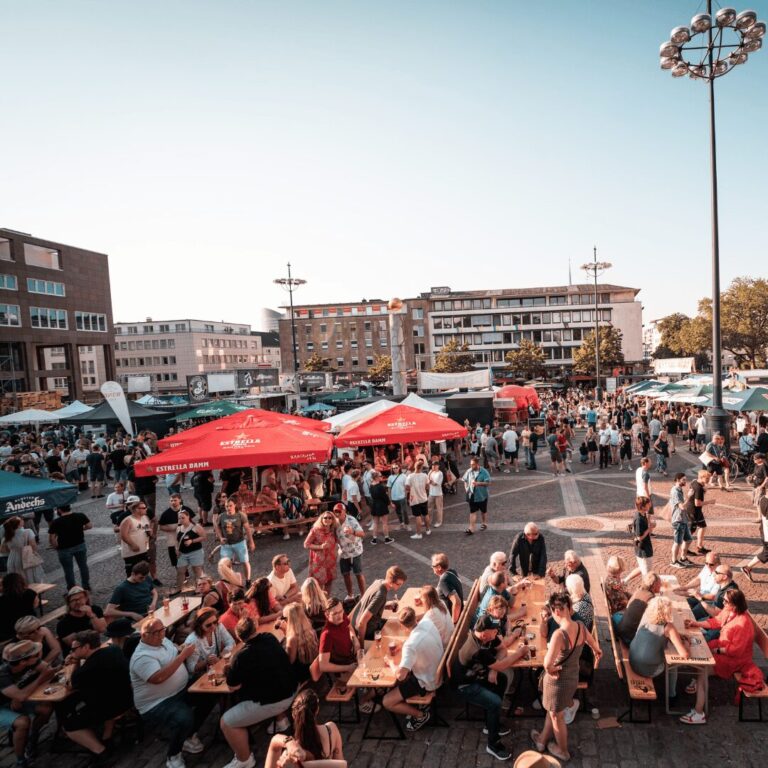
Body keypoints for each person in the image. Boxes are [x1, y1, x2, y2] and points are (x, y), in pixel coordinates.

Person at [531, 591, 602, 763]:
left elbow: (547, 664)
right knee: (553, 711)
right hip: (572, 677)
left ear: (555, 611)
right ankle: (541, 741)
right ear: (569, 608)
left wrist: (555, 668)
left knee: (557, 716)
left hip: (557, 683)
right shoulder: (580, 626)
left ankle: (562, 751)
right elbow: (596, 647)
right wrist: (597, 655)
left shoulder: (559, 635)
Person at [220, 615, 298, 768]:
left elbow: (232, 687)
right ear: (255, 628)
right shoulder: (270, 638)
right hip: (292, 689)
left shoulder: (241, 657)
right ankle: (281, 721)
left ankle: (245, 760)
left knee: (226, 722)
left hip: (276, 701)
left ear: (240, 638)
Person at [130, 617, 206, 768]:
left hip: (180, 689)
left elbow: (173, 651)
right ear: (144, 635)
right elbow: (158, 677)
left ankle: (188, 735)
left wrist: (181, 648)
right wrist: (183, 656)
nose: (161, 635)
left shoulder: (163, 641)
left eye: (163, 630)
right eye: (157, 632)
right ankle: (173, 756)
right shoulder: (142, 657)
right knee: (184, 718)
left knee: (208, 692)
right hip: (157, 702)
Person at [681, 589, 755, 725]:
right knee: (697, 651)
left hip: (733, 660)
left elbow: (735, 651)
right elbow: (715, 622)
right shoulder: (730, 611)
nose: (723, 602)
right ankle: (698, 685)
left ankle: (699, 713)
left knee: (702, 669)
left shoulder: (743, 623)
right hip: (723, 649)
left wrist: (716, 650)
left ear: (735, 605)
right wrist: (696, 624)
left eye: (726, 601)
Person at [451, 614, 514, 762]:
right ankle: (493, 745)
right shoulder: (477, 649)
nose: (497, 632)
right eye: (495, 630)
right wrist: (520, 653)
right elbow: (503, 663)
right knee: (495, 703)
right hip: (464, 685)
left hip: (477, 675)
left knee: (501, 679)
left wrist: (494, 669)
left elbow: (503, 649)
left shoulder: (487, 637)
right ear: (485, 633)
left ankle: (491, 723)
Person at [62, 629, 133, 761]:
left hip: (110, 708)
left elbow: (71, 685)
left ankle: (100, 750)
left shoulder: (84, 671)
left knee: (69, 725)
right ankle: (107, 737)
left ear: (86, 647)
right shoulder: (114, 650)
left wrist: (75, 662)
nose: (72, 651)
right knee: (105, 695)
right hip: (128, 698)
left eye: (74, 648)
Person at [381, 606, 443, 731]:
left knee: (386, 701)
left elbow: (400, 675)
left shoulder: (410, 645)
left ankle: (421, 716)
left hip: (426, 681)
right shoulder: (427, 622)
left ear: (403, 627)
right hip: (437, 669)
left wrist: (391, 662)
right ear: (415, 617)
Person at [0, 640, 55, 766]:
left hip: (13, 699)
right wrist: (41, 678)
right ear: (23, 661)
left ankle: (32, 737)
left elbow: (49, 670)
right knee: (23, 722)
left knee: (46, 709)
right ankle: (21, 760)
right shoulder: (2, 675)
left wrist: (17, 696)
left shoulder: (31, 663)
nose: (39, 656)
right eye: (35, 655)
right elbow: (22, 695)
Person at [628, 596, 689, 704]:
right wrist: (688, 644)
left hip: (632, 659)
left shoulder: (646, 616)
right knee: (673, 664)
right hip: (647, 669)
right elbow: (684, 654)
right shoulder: (668, 627)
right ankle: (672, 696)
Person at [263, 689, 344, 768]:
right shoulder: (331, 730)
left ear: (293, 715)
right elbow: (341, 763)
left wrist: (289, 742)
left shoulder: (291, 756)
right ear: (317, 710)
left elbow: (274, 746)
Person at [349, 565, 407, 644]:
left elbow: (369, 603)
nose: (400, 586)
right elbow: (362, 623)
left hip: (356, 624)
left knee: (395, 623)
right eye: (399, 584)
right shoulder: (381, 594)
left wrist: (385, 605)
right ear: (391, 582)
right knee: (399, 630)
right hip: (368, 631)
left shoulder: (378, 582)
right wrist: (361, 647)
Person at [48, 504, 92, 592]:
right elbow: (89, 526)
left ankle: (72, 588)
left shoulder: (56, 522)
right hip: (80, 545)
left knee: (68, 570)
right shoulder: (80, 515)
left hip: (64, 548)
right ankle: (86, 586)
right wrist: (81, 528)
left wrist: (55, 545)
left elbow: (51, 538)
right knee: (83, 566)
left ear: (59, 510)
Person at [183, 606, 235, 677]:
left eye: (215, 622)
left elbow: (231, 642)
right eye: (208, 625)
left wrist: (220, 657)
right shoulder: (193, 641)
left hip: (216, 668)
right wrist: (206, 662)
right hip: (200, 677)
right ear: (199, 626)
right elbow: (191, 668)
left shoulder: (218, 626)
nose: (213, 626)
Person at [615, 572, 662, 645]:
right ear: (654, 586)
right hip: (630, 638)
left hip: (621, 629)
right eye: (660, 583)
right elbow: (654, 620)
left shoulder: (639, 590)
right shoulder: (651, 599)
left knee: (617, 616)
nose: (661, 585)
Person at [318, 598, 359, 678]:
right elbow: (323, 666)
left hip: (352, 660)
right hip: (343, 672)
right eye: (335, 613)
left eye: (341, 611)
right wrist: (348, 668)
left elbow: (349, 626)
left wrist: (355, 640)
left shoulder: (342, 617)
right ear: (327, 615)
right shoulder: (327, 635)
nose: (340, 616)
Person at [56, 586, 107, 651]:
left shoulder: (95, 610)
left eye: (80, 598)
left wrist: (91, 615)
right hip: (77, 655)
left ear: (86, 598)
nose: (78, 602)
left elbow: (102, 629)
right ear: (69, 603)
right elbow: (75, 645)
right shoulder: (63, 623)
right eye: (74, 600)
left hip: (95, 649)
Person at [280, 603, 319, 686]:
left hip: (302, 675)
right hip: (312, 667)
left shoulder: (292, 638)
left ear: (289, 620)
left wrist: (285, 632)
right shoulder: (310, 630)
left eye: (284, 618)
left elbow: (290, 661)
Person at [334, 503, 366, 600]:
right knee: (345, 574)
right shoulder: (334, 522)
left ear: (344, 511)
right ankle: (350, 594)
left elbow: (362, 534)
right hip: (343, 553)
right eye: (335, 511)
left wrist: (353, 532)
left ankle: (364, 595)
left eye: (339, 511)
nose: (337, 513)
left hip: (355, 552)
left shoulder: (351, 520)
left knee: (358, 574)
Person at [304, 511, 338, 595]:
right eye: (325, 518)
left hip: (331, 561)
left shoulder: (334, 530)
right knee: (318, 584)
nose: (327, 519)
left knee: (329, 582)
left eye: (330, 518)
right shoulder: (315, 530)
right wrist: (320, 547)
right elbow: (306, 544)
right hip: (319, 562)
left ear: (333, 520)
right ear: (321, 519)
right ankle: (318, 603)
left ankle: (326, 601)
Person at [2, 517, 44, 584]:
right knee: (30, 576)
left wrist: (14, 549)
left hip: (12, 559)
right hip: (27, 557)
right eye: (21, 520)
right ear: (18, 524)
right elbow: (33, 545)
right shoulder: (28, 531)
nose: (23, 520)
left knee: (17, 579)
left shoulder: (7, 535)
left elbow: (3, 550)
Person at [158, 494, 194, 570]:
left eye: (175, 500)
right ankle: (181, 573)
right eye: (171, 500)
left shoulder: (186, 510)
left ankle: (186, 571)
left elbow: (194, 522)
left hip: (185, 538)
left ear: (180, 500)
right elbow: (161, 526)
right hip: (172, 540)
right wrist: (172, 528)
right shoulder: (166, 514)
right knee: (175, 559)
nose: (173, 502)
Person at [174, 508, 205, 596]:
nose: (181, 520)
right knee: (180, 571)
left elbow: (204, 537)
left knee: (197, 570)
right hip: (183, 553)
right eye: (179, 518)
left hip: (195, 552)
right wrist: (177, 549)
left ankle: (198, 588)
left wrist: (192, 541)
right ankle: (179, 588)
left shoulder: (196, 527)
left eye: (183, 518)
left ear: (188, 517)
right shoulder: (179, 528)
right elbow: (177, 540)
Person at [0, 573, 39, 642]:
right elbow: (35, 605)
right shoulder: (30, 593)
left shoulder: (2, 599)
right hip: (28, 625)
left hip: (9, 631)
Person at [119, 497, 152, 578]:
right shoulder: (128, 520)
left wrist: (150, 533)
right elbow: (123, 535)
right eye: (144, 508)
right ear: (137, 509)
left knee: (144, 572)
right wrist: (132, 544)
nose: (146, 509)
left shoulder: (145, 518)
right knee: (132, 573)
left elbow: (147, 528)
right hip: (131, 553)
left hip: (143, 550)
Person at [624, 496, 654, 582]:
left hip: (643, 548)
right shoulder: (638, 519)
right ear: (643, 507)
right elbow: (639, 537)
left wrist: (648, 519)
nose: (650, 505)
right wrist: (650, 528)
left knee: (641, 568)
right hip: (643, 549)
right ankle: (645, 591)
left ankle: (624, 581)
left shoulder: (642, 514)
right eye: (648, 504)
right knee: (647, 574)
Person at [461, 456, 491, 536]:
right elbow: (465, 480)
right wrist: (466, 489)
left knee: (483, 511)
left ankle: (484, 523)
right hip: (472, 495)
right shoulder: (469, 471)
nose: (471, 466)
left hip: (482, 496)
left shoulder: (484, 472)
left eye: (473, 464)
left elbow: (488, 483)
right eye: (470, 464)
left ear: (477, 464)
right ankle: (471, 528)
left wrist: (478, 483)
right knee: (472, 512)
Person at [742, 491, 768, 582]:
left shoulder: (763, 498)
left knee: (766, 553)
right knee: (766, 553)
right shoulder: (766, 502)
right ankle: (747, 568)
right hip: (766, 534)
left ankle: (747, 568)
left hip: (764, 531)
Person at [669, 473, 693, 569]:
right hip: (678, 520)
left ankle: (683, 558)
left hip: (683, 519)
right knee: (677, 542)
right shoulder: (676, 491)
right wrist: (689, 497)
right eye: (683, 480)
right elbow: (682, 506)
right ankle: (674, 561)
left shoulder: (679, 489)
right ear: (678, 480)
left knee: (688, 540)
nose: (685, 481)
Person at [685, 469, 712, 555]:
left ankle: (700, 547)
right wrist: (710, 502)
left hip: (695, 511)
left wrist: (704, 488)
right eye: (707, 478)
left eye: (709, 478)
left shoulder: (694, 482)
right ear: (701, 477)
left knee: (702, 527)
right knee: (690, 531)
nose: (708, 480)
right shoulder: (698, 488)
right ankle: (685, 550)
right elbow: (697, 503)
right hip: (693, 511)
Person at [420, 585, 454, 649]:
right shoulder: (441, 603)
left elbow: (419, 628)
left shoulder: (430, 614)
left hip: (444, 646)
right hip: (450, 639)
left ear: (426, 600)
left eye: (422, 598)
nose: (420, 599)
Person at [368, 471, 393, 544]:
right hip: (381, 505)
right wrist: (389, 503)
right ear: (376, 477)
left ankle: (374, 539)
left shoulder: (371, 486)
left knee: (375, 523)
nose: (381, 477)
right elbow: (385, 497)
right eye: (380, 476)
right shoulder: (380, 486)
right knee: (384, 523)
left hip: (374, 505)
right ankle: (387, 538)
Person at [387, 462, 410, 531]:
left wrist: (405, 495)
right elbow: (389, 488)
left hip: (402, 497)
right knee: (398, 512)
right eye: (393, 468)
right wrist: (390, 499)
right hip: (394, 498)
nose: (395, 469)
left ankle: (407, 524)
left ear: (399, 468)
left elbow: (407, 487)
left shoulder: (403, 476)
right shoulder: (390, 477)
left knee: (405, 511)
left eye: (396, 467)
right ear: (392, 469)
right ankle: (401, 524)